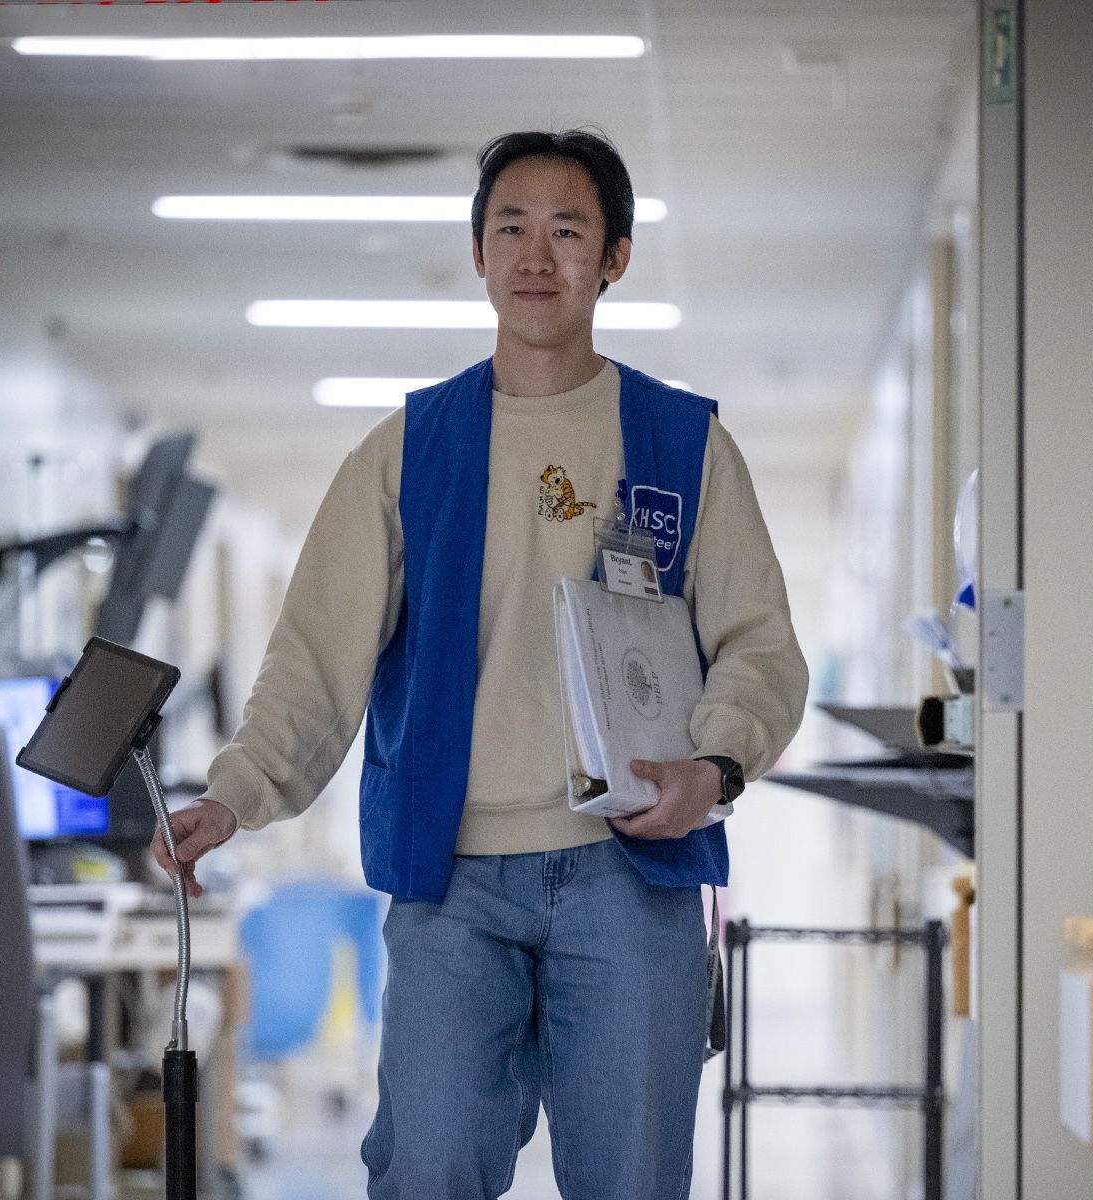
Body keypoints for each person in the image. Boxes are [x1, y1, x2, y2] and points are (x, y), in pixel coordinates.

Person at [151, 128, 809, 1199]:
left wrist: (717, 767)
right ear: (478, 254)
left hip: (632, 875)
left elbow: (760, 645)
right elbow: (316, 654)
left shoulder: (686, 445)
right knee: (432, 1166)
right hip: (454, 880)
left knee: (633, 1178)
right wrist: (237, 794)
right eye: (511, 229)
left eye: (568, 231)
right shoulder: (407, 451)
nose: (536, 257)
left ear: (615, 257)